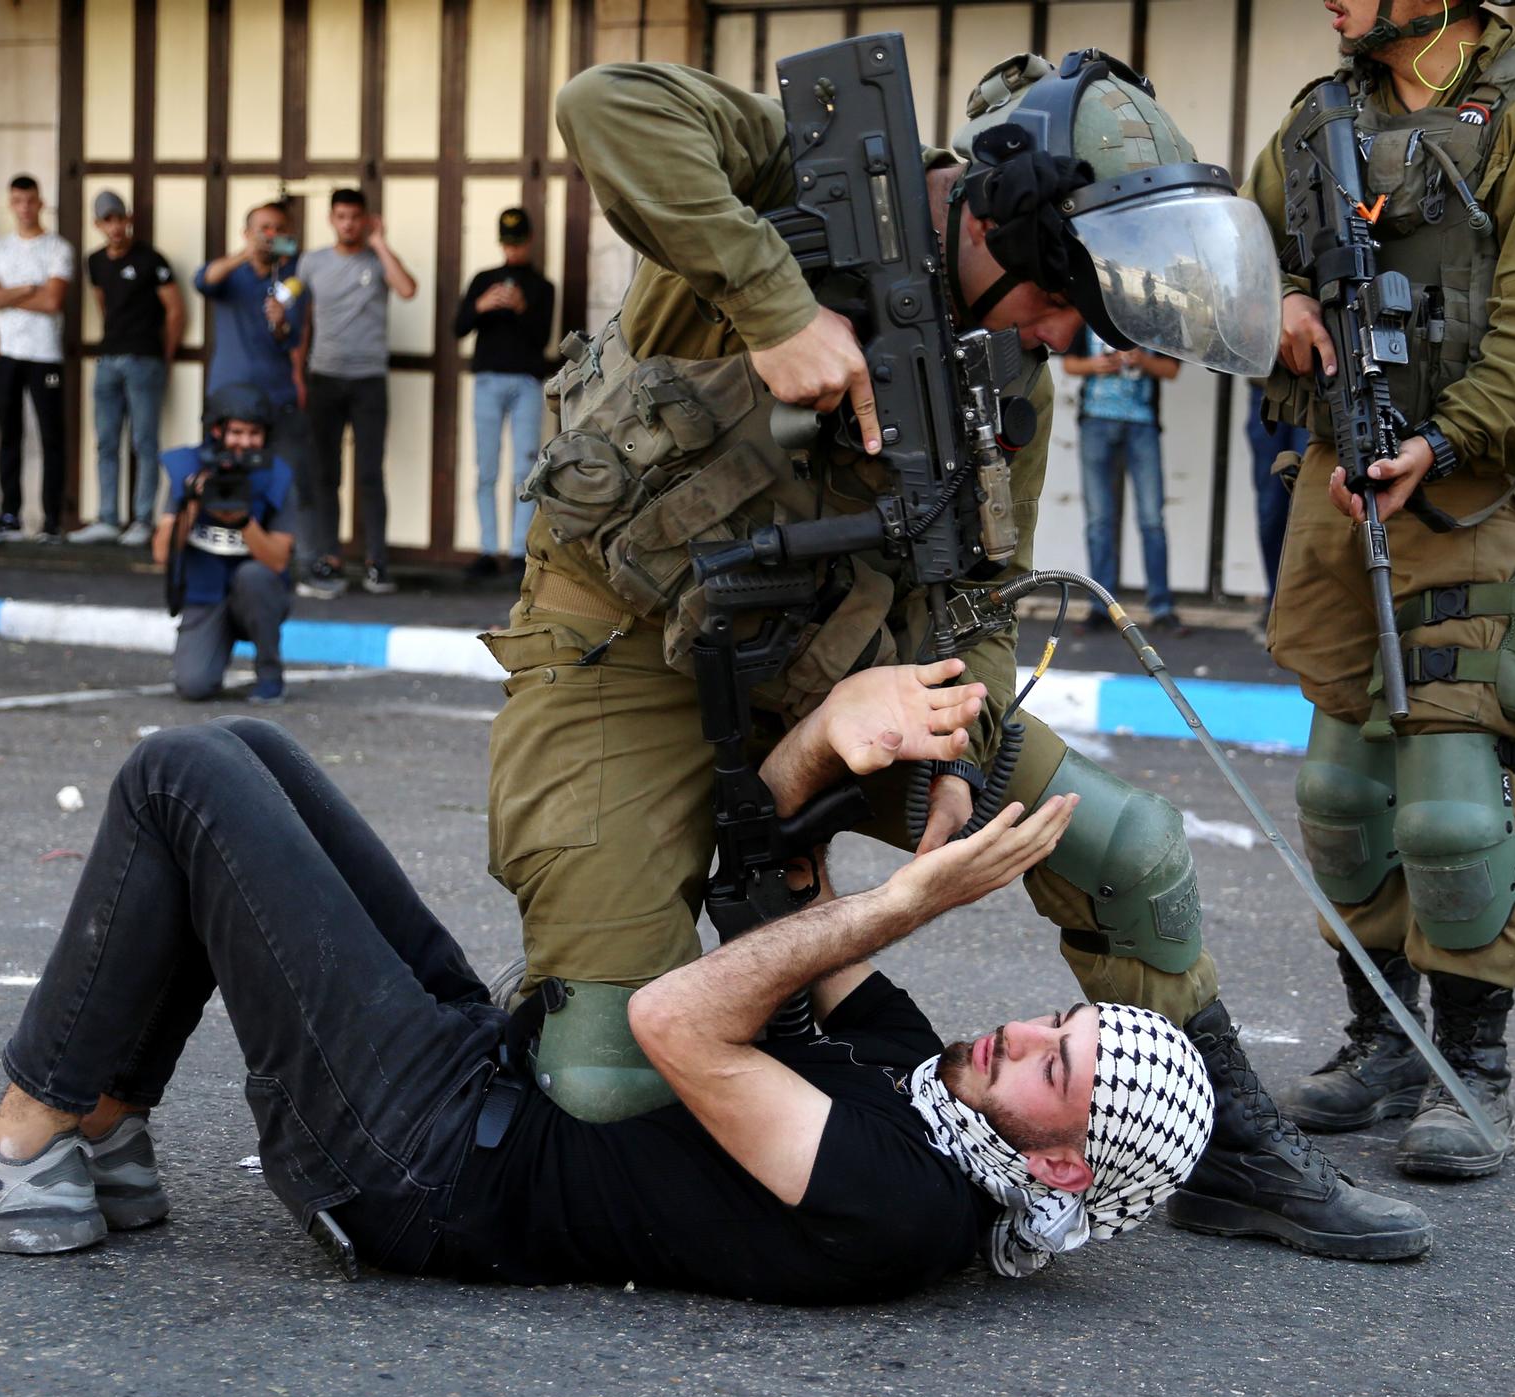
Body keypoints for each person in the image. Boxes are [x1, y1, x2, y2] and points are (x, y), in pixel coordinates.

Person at [477, 52, 1433, 1261]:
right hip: (630, 644)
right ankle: (584, 976)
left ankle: (1227, 1146)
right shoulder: (808, 181)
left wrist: (955, 762)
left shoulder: (1008, 373)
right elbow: (603, 105)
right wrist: (776, 310)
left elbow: (978, 599)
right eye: (1060, 302)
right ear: (1003, 233)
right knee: (603, 1086)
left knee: (1125, 843)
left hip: (847, 674)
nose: (1063, 336)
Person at [0, 668, 1218, 1305]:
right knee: (248, 746)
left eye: (1053, 1063)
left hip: (419, 1170)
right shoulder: (930, 1087)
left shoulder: (904, 1199)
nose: (1020, 1029)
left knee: (177, 780)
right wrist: (897, 794)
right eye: (1054, 1016)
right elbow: (773, 907)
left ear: (1068, 1168)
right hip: (485, 1072)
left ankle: (23, 1150)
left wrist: (906, 904)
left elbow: (677, 1018)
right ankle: (104, 1136)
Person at [1247, 0, 1515, 1176]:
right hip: (1339, 475)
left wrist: (1448, 444)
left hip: (1471, 484)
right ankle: (1382, 1040)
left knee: (1451, 802)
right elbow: (1237, 242)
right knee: (1341, 793)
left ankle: (1470, 1060)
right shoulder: (1323, 114)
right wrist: (1276, 302)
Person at [297, 187, 418, 597]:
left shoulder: (378, 259)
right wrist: (298, 374)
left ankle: (376, 561)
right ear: (331, 219)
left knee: (369, 473)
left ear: (366, 219)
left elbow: (406, 289)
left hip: (369, 380)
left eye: (355, 217)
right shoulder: (312, 263)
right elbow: (302, 321)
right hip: (324, 378)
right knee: (324, 473)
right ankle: (328, 558)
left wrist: (381, 243)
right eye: (342, 216)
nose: (348, 223)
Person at [152, 385, 296, 704]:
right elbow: (162, 553)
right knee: (193, 686)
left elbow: (278, 561)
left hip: (255, 597)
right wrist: (191, 504)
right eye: (237, 432)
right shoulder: (188, 468)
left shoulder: (277, 476)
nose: (245, 443)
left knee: (254, 576)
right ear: (217, 430)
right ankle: (212, 653)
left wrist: (243, 522)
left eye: (254, 433)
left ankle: (270, 674)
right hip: (205, 596)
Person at [195, 201, 314, 581]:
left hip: (277, 398)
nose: (270, 236)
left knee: (284, 480)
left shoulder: (293, 279)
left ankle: (291, 561)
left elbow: (290, 338)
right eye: (263, 228)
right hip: (229, 399)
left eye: (278, 229)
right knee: (224, 478)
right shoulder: (232, 274)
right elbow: (204, 281)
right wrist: (244, 256)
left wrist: (280, 323)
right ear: (246, 233)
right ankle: (218, 558)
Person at [70, 191, 183, 550]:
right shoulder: (95, 261)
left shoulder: (151, 259)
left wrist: (162, 355)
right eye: (108, 220)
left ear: (129, 218)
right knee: (105, 440)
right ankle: (107, 517)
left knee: (143, 441)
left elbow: (176, 310)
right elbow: (103, 303)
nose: (115, 227)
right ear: (98, 225)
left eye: (120, 219)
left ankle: (143, 518)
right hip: (108, 357)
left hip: (144, 358)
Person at [1061, 326, 1185, 633]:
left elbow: (1171, 369)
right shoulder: (1089, 313)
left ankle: (1160, 605)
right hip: (1096, 422)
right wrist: (1096, 365)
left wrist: (1141, 360)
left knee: (1150, 520)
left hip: (1141, 425)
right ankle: (1100, 606)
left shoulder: (1154, 317)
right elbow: (1068, 363)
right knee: (1099, 520)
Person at [455, 206, 554, 578]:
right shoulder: (484, 279)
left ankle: (517, 550)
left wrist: (522, 308)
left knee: (524, 469)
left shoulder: (543, 287)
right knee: (486, 468)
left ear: (529, 241)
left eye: (518, 243)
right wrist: (481, 305)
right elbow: (458, 327)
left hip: (526, 381)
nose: (512, 251)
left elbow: (542, 338)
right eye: (507, 244)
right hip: (488, 380)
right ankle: (487, 548)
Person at [0, 175, 76, 544]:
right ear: (10, 203)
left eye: (30, 201)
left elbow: (52, 302)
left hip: (44, 353)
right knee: (9, 434)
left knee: (51, 435)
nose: (24, 208)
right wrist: (26, 289)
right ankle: (10, 514)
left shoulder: (57, 248)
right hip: (5, 351)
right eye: (17, 201)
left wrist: (7, 293)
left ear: (40, 202)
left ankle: (51, 519)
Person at [1244, 381, 1309, 638]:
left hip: (1317, 393)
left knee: (1308, 503)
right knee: (1270, 510)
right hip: (1268, 391)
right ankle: (1277, 603)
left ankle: (1305, 605)